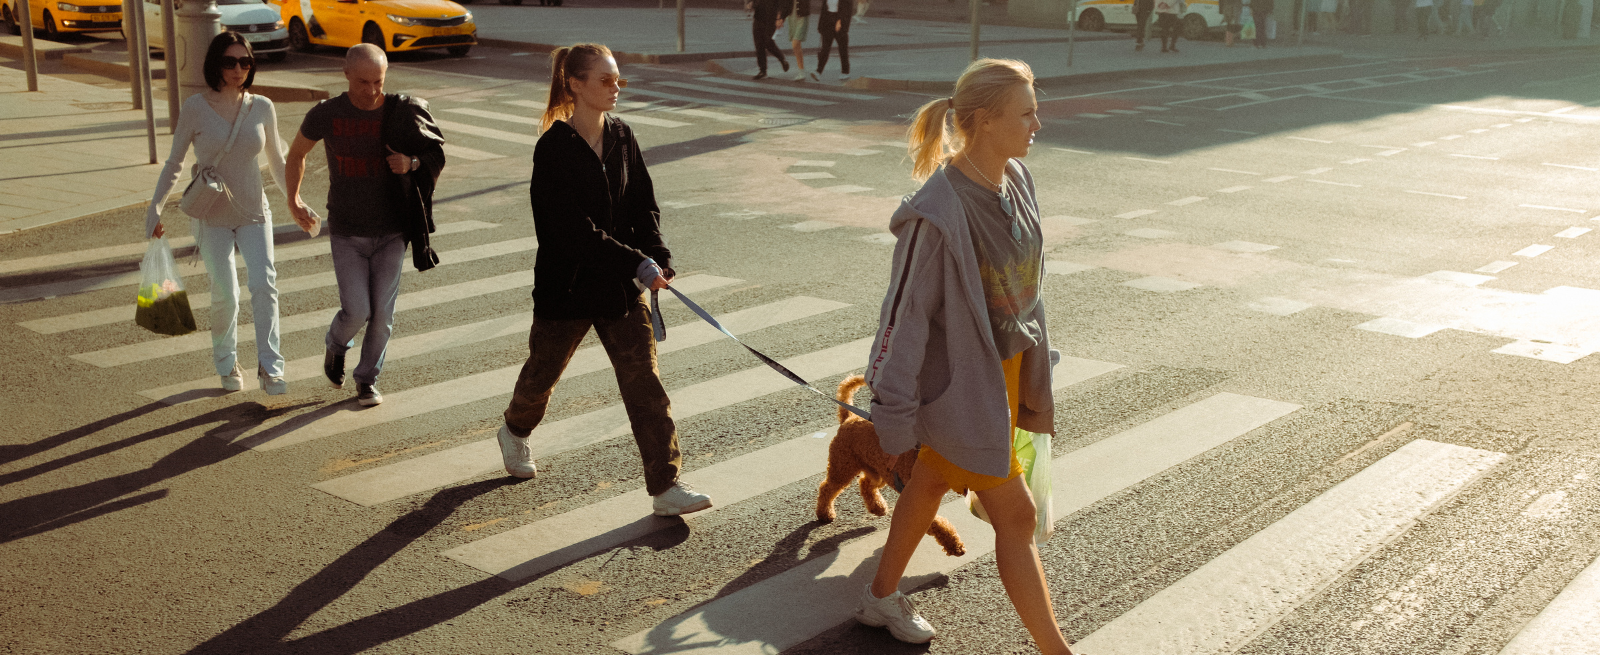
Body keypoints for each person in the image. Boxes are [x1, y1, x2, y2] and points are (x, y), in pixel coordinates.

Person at [855, 58, 1075, 654]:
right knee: (1018, 517)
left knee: (928, 484)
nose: (1038, 123)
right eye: (1025, 113)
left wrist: (1034, 375)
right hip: (960, 388)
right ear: (982, 121)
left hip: (1003, 378)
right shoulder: (938, 212)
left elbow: (1027, 289)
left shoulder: (1017, 181)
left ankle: (879, 596)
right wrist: (893, 413)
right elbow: (901, 319)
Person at [493, 43, 713, 518]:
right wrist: (636, 262)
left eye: (618, 80)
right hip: (567, 286)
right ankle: (514, 430)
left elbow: (642, 204)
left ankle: (666, 485)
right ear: (575, 84)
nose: (616, 88)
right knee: (540, 377)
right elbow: (570, 231)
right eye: (606, 80)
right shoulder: (552, 148)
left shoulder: (622, 135)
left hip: (619, 289)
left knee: (645, 385)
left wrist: (657, 256)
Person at [286, 44, 445, 407]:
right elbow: (297, 154)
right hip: (346, 231)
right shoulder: (326, 113)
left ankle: (367, 380)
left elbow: (435, 154)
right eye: (363, 82)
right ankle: (336, 344)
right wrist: (293, 198)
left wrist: (412, 162)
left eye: (379, 81)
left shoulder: (402, 111)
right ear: (345, 73)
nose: (373, 90)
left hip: (392, 231)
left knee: (383, 316)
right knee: (358, 310)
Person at [146, 31, 292, 396]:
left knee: (264, 285)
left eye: (245, 62)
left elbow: (277, 162)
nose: (239, 69)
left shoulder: (262, 106)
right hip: (211, 215)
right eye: (230, 62)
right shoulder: (196, 106)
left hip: (255, 212)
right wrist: (155, 206)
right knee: (225, 292)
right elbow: (175, 162)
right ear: (215, 64)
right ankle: (227, 361)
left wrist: (296, 201)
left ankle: (270, 367)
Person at [749, 0, 789, 80]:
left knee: (768, 42)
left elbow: (782, 3)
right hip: (758, 18)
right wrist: (751, 4)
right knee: (759, 45)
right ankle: (763, 71)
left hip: (771, 19)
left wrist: (780, 18)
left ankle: (781, 58)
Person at [816, 0, 853, 80]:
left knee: (843, 49)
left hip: (839, 23)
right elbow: (824, 9)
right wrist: (820, 26)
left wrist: (840, 21)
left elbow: (847, 9)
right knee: (825, 48)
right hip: (828, 21)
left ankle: (845, 71)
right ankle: (818, 71)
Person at [787, 0, 812, 81]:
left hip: (802, 15)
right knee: (796, 46)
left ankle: (801, 71)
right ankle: (801, 71)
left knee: (795, 42)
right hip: (792, 16)